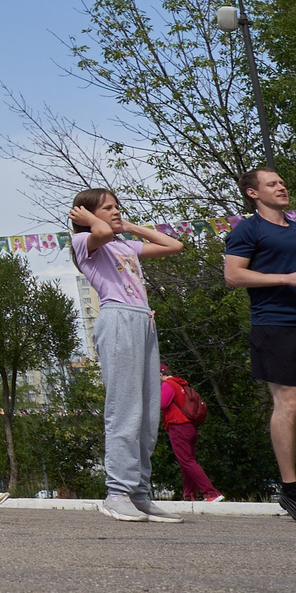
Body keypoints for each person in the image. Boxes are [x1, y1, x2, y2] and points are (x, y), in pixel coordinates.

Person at [71, 186, 186, 523]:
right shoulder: (85, 243)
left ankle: (139, 493)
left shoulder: (125, 246)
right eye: (108, 207)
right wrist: (91, 220)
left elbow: (174, 245)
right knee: (125, 409)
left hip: (143, 321)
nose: (116, 211)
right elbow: (102, 232)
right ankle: (117, 492)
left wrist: (132, 227)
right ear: (87, 215)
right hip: (118, 317)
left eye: (117, 206)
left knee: (149, 414)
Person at [221, 165, 296, 520]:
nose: (281, 187)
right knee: (289, 402)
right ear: (253, 193)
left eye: (281, 182)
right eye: (272, 184)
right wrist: (285, 279)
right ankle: (290, 488)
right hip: (274, 325)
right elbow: (233, 275)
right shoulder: (247, 230)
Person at [157, 365, 220, 502]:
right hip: (190, 426)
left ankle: (211, 493)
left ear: (160, 374)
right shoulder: (182, 384)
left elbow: (162, 404)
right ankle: (189, 495)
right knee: (188, 461)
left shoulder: (168, 385)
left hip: (178, 425)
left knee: (187, 461)